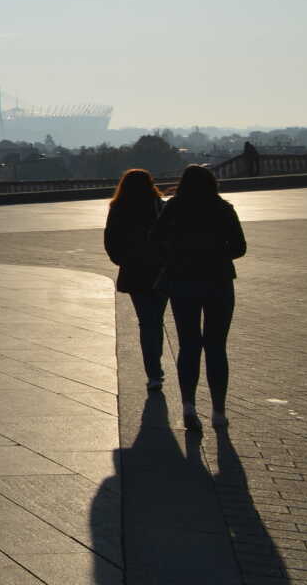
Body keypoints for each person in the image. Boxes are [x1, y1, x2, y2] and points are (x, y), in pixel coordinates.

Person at [153, 164, 246, 432]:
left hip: (182, 282)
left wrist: (176, 255)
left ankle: (188, 407)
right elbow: (239, 247)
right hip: (218, 282)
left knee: (189, 345)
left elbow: (155, 238)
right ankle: (219, 411)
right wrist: (215, 252)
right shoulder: (223, 209)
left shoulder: (173, 207)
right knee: (216, 346)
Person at [104, 167, 168, 388]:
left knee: (145, 322)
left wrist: (123, 261)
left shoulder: (118, 208)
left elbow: (110, 240)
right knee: (156, 321)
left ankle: (153, 372)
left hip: (134, 271)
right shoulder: (159, 205)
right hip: (160, 270)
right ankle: (156, 368)